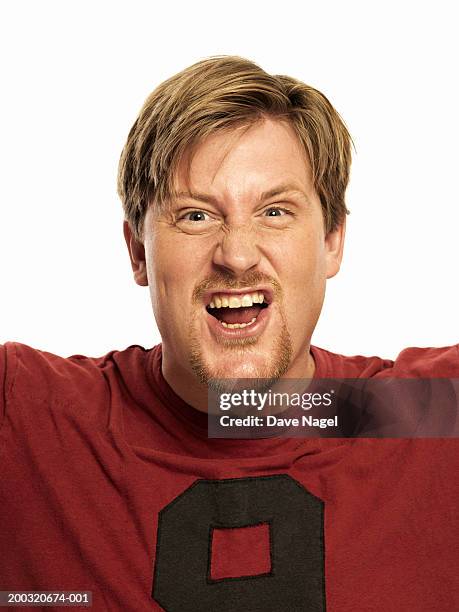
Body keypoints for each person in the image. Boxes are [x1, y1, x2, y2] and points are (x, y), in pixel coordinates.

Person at [0, 56, 457, 611]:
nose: (237, 256)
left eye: (275, 212)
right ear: (138, 251)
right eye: (195, 216)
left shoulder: (427, 410)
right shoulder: (26, 416)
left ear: (333, 239)